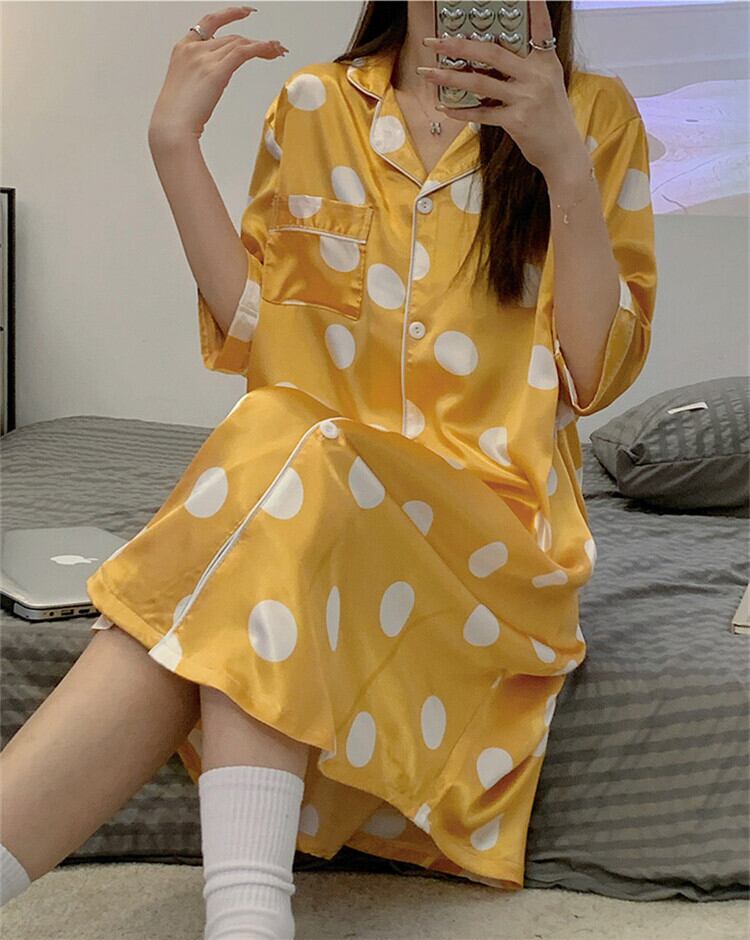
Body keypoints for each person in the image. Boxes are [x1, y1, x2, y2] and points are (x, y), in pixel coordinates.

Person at [0, 1, 657, 937]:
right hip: (308, 508)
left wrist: (564, 166)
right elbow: (256, 326)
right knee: (284, 455)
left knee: (276, 459)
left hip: (485, 556)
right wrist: (174, 145)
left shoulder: (591, 112)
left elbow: (595, 373)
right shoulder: (315, 103)